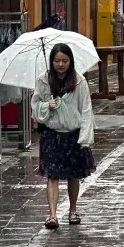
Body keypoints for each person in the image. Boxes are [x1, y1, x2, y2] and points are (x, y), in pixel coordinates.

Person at [32, 43, 95, 230]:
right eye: (57, 61)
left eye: (64, 61)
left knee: (73, 175)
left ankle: (73, 210)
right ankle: (52, 215)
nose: (61, 64)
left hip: (72, 134)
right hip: (52, 134)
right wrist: (46, 106)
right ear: (52, 61)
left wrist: (85, 137)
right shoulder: (43, 81)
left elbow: (86, 110)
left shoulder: (79, 81)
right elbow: (35, 106)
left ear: (70, 61)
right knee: (52, 175)